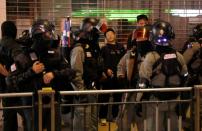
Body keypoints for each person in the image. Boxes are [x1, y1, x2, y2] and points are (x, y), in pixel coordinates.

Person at [5, 19, 76, 131]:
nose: (51, 36)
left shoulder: (55, 54)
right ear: (39, 34)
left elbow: (72, 72)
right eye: (48, 33)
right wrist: (31, 72)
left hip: (53, 103)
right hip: (32, 105)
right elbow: (10, 81)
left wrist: (54, 74)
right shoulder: (24, 57)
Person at [138, 20, 188, 131]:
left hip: (155, 101)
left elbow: (143, 81)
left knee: (154, 128)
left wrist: (139, 101)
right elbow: (185, 76)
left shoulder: (150, 57)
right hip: (175, 100)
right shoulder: (179, 56)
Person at [116, 25, 153, 131]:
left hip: (145, 94)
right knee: (124, 120)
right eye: (138, 37)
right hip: (130, 91)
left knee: (143, 122)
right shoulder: (130, 54)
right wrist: (121, 76)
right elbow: (120, 66)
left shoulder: (152, 55)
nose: (141, 39)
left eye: (144, 37)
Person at [70, 17, 102, 131]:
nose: (97, 35)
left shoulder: (93, 49)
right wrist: (81, 92)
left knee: (93, 123)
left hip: (92, 90)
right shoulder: (79, 49)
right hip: (83, 92)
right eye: (95, 32)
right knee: (83, 124)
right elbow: (76, 73)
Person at [98, 28, 126, 123]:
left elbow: (126, 61)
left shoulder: (121, 48)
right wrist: (106, 70)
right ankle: (102, 119)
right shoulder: (104, 48)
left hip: (119, 78)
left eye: (111, 34)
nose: (109, 35)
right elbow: (100, 63)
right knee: (104, 99)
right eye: (107, 34)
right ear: (105, 37)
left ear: (115, 35)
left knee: (117, 99)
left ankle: (115, 118)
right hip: (107, 78)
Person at [182, 23, 202, 131]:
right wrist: (194, 48)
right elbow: (184, 60)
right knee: (186, 105)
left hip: (197, 81)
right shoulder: (191, 44)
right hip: (191, 80)